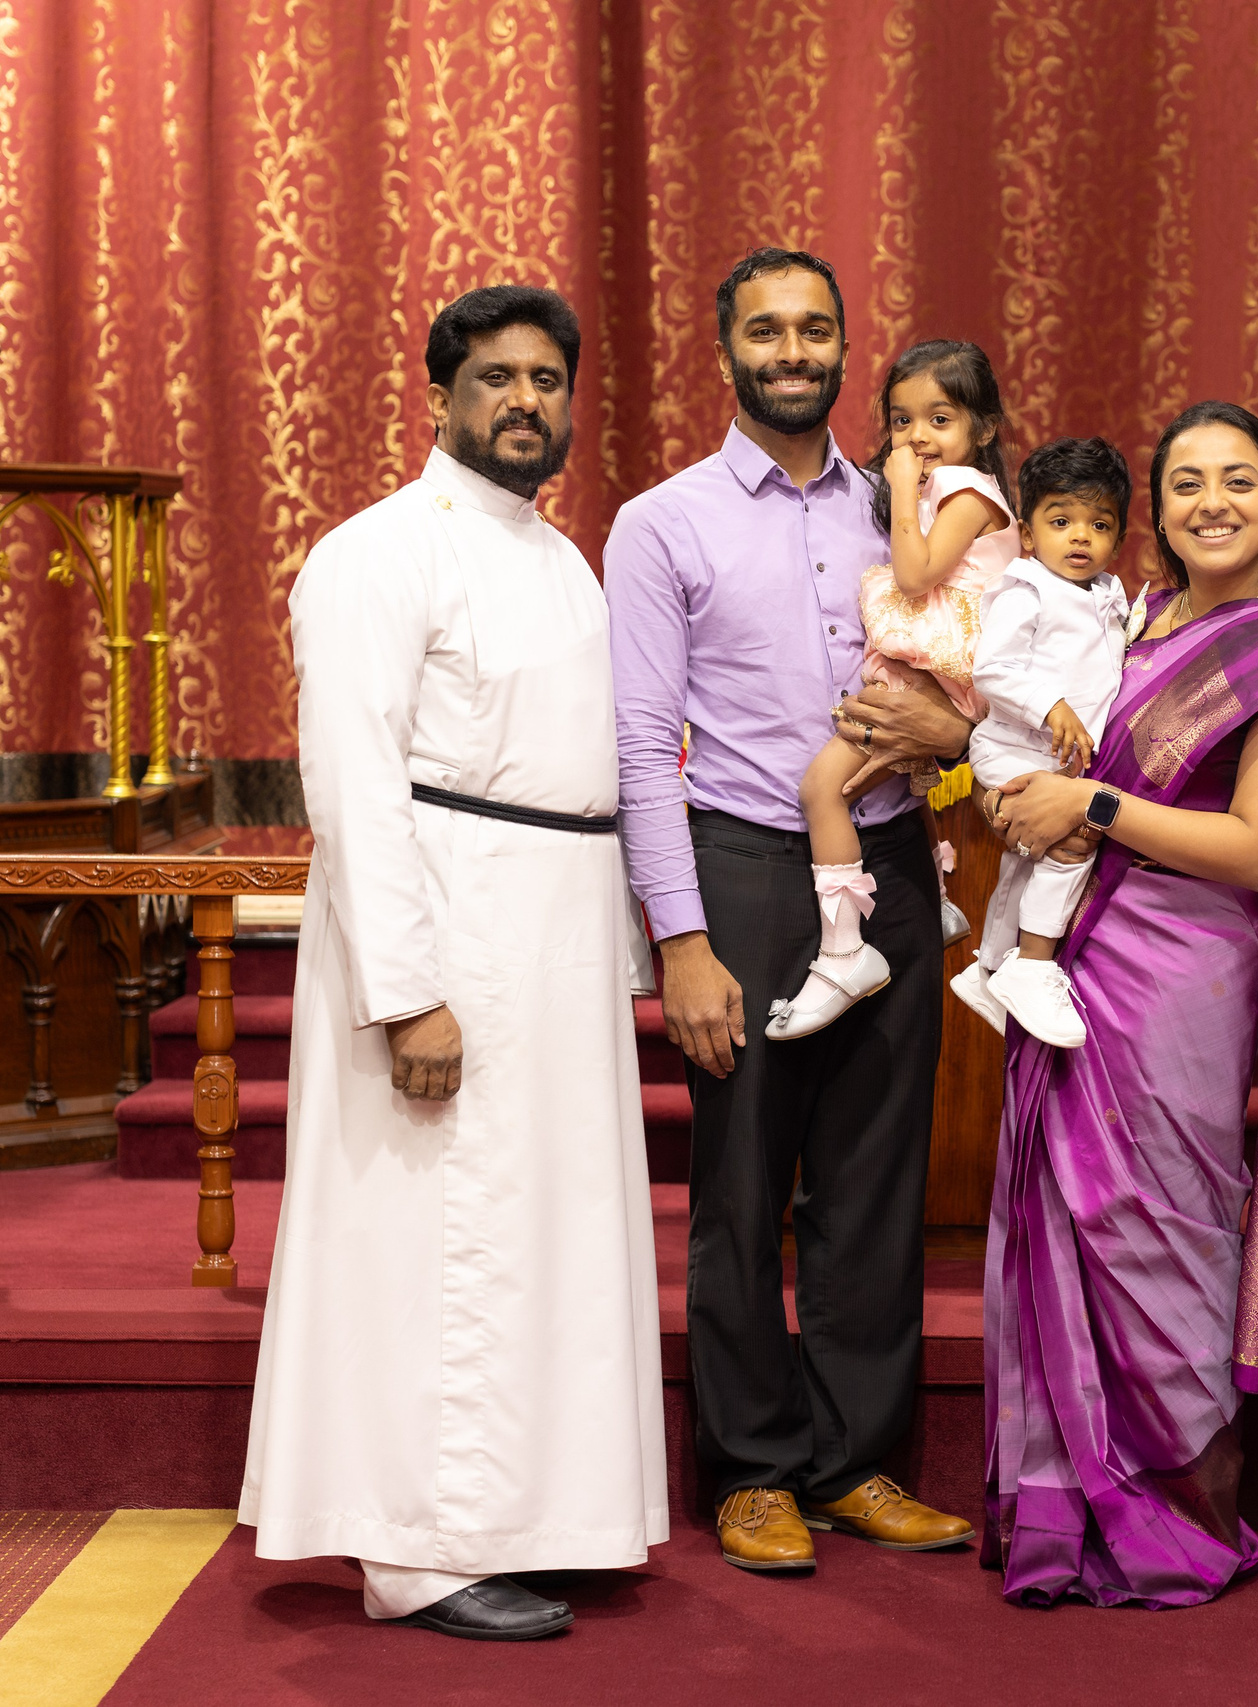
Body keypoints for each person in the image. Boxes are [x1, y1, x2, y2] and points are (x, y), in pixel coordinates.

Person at [241, 285, 670, 1640]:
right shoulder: (378, 552)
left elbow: (583, 781)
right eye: (498, 378)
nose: (527, 401)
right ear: (442, 396)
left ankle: (528, 1511)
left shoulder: (563, 556)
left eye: (549, 378)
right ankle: (417, 1548)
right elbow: (355, 782)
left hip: (546, 936)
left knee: (531, 1232)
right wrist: (407, 989)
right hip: (442, 930)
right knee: (437, 1240)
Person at [985, 400, 1258, 1609]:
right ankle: (1062, 1500)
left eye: (1237, 480)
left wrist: (1092, 811)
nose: (1210, 502)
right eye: (1184, 485)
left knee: (1156, 1215)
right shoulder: (1130, 624)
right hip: (1073, 952)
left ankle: (1167, 1504)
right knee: (1066, 1213)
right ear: (1153, 512)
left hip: (1183, 969)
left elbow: (1254, 848)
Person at [606, 247, 975, 1573]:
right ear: (726, 351)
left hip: (890, 857)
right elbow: (643, 743)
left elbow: (971, 665)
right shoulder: (666, 522)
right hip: (747, 874)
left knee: (875, 1184)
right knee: (744, 1182)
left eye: (815, 327)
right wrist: (681, 938)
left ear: (840, 346)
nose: (793, 349)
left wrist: (953, 730)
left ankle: (856, 1458)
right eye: (765, 328)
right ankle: (754, 1468)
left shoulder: (907, 505)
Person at [768, 338, 1020, 1041]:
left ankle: (844, 951)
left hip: (942, 667)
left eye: (939, 419)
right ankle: (937, 901)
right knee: (898, 782)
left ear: (985, 426)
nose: (915, 437)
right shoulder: (953, 489)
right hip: (931, 665)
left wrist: (903, 488)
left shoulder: (969, 493)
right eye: (902, 421)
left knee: (823, 788)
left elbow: (915, 575)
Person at [950, 435, 1134, 1048]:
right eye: (1061, 521)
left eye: (1099, 524)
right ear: (1028, 534)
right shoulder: (1025, 586)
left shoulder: (1110, 593)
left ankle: (989, 968)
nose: (1080, 537)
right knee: (1074, 841)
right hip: (1013, 743)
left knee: (1027, 857)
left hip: (1061, 755)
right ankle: (1033, 964)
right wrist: (1052, 707)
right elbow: (993, 671)